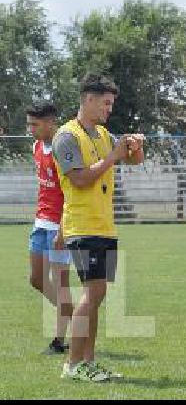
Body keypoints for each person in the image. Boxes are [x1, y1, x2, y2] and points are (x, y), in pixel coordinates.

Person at [54, 74, 145, 383]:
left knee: (98, 293)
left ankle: (88, 361)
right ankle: (72, 363)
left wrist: (134, 148)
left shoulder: (103, 134)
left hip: (104, 227)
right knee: (92, 292)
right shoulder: (66, 136)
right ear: (88, 99)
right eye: (105, 103)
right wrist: (114, 156)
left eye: (111, 103)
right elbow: (79, 178)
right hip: (82, 225)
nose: (109, 108)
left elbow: (131, 161)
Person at [26, 101, 73, 355]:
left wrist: (63, 230)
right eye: (29, 124)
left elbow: (71, 192)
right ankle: (73, 312)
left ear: (50, 123)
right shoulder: (36, 147)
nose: (30, 129)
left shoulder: (61, 149)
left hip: (58, 226)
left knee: (61, 283)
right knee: (36, 279)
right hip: (40, 223)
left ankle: (59, 340)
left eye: (34, 124)